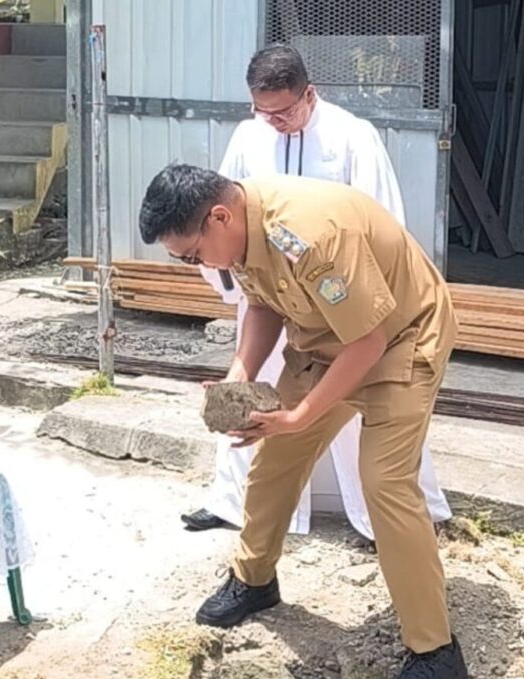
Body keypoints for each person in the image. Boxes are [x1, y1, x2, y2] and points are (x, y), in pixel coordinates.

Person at [139, 164, 467, 679]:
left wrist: (300, 414)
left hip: (402, 338)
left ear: (219, 216)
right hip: (323, 344)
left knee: (384, 484)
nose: (196, 266)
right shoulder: (240, 233)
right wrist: (241, 372)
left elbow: (368, 341)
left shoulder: (312, 232)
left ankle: (436, 653)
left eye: (192, 255)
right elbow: (264, 304)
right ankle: (254, 580)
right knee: (273, 463)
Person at [182, 46, 451, 539]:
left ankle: (381, 523)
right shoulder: (249, 134)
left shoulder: (352, 136)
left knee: (355, 405)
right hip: (267, 293)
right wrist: (234, 282)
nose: (274, 122)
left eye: (284, 111)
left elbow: (382, 221)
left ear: (310, 94)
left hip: (341, 302)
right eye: (262, 111)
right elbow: (223, 215)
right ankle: (233, 503)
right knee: (248, 393)